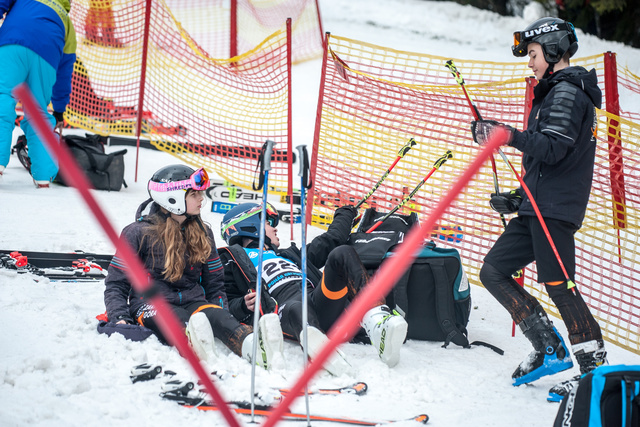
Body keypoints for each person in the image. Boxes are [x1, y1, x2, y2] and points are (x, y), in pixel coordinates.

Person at [472, 17, 607, 401]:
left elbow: (553, 147)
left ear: (552, 49)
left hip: (555, 210)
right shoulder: (553, 92)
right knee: (494, 270)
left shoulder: (567, 92)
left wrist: (507, 135)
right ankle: (548, 345)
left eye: (533, 54)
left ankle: (594, 372)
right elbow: (547, 164)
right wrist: (519, 197)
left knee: (560, 286)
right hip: (538, 206)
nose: (530, 62)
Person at [104, 165, 284, 369]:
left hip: (193, 301)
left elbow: (215, 283)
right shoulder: (137, 233)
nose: (201, 199)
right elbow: (116, 283)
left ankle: (258, 350)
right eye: (194, 194)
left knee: (218, 318)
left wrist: (223, 315)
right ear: (172, 198)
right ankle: (202, 353)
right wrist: (119, 316)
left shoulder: (203, 232)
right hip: (151, 304)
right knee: (177, 319)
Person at [219, 202, 408, 375]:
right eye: (268, 223)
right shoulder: (232, 260)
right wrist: (243, 305)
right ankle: (318, 348)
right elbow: (224, 300)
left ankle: (378, 323)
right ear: (250, 225)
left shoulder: (290, 255)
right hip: (284, 308)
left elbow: (331, 240)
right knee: (295, 307)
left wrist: (346, 213)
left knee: (341, 253)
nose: (275, 228)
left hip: (318, 301)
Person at [0, 0, 77, 187]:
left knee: (2, 98)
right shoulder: (66, 22)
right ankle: (43, 176)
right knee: (38, 112)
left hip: (12, 43)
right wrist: (59, 109)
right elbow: (64, 73)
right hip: (47, 58)